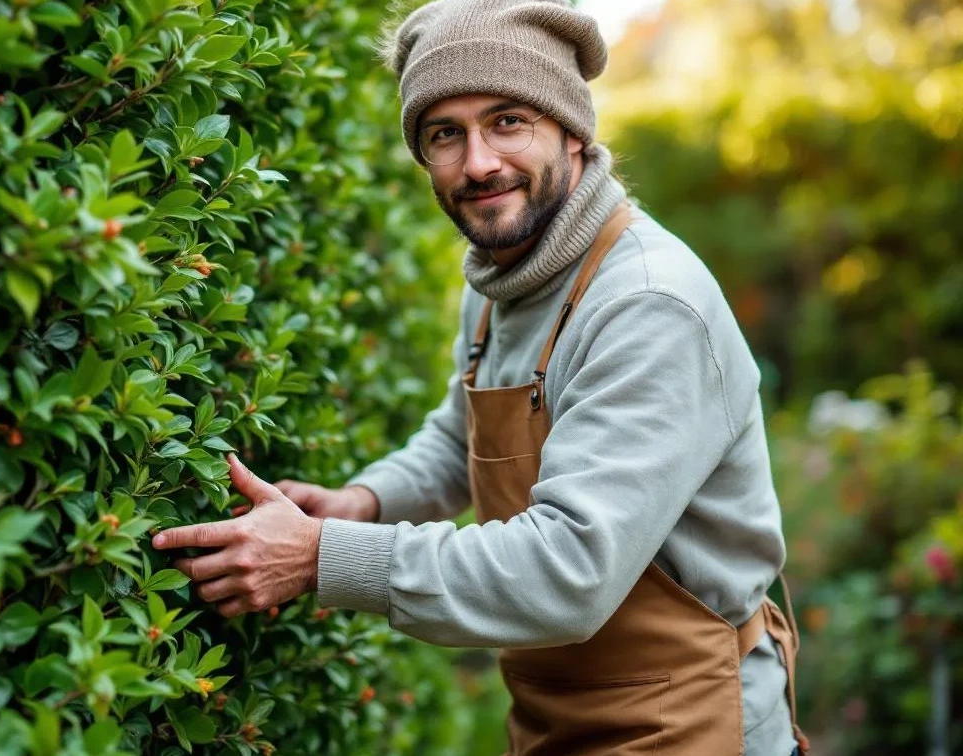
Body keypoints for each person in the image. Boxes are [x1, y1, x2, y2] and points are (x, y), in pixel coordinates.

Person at [152, 1, 809, 753]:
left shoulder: (647, 304)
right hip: (558, 717)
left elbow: (569, 571)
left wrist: (322, 555)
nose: (478, 164)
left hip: (694, 722)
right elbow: (461, 436)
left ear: (572, 129)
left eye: (508, 121)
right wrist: (360, 504)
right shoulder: (506, 276)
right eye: (445, 134)